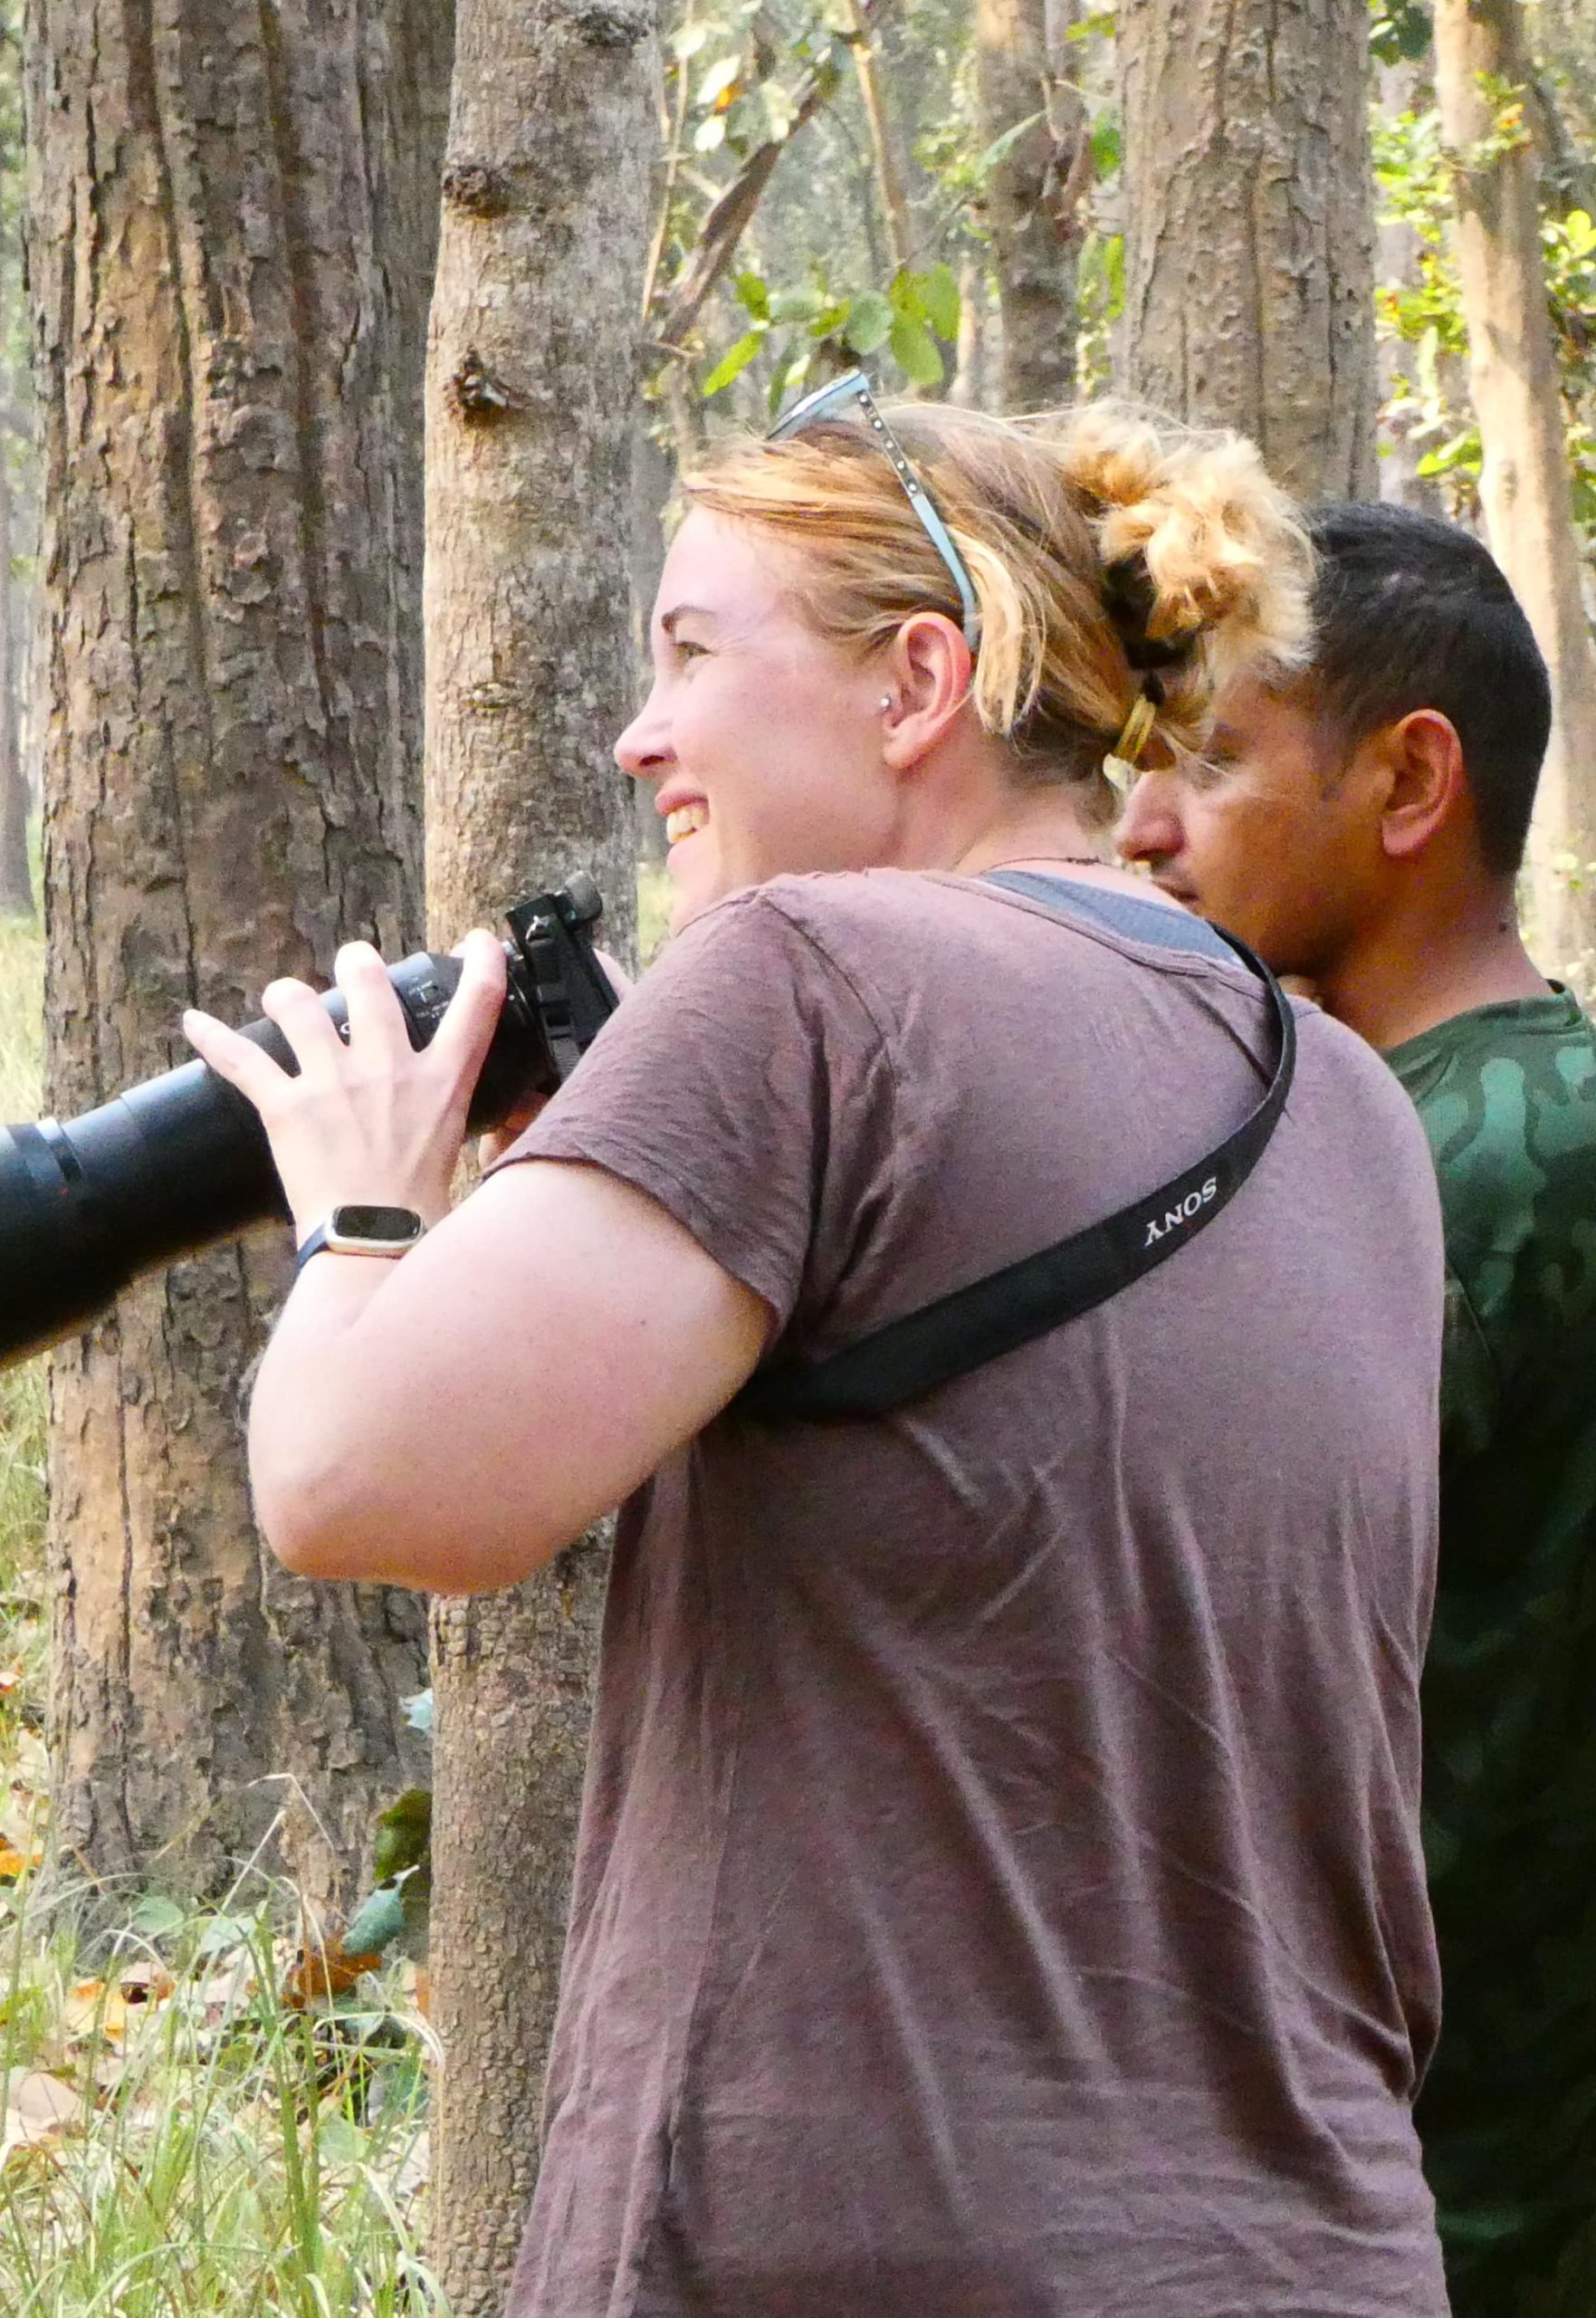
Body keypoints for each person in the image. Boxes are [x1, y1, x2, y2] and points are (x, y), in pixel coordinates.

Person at [183, 388, 1456, 2317]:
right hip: (1310, 2243)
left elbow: (357, 1480)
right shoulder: (1345, 1097)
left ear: (918, 680)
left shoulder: (807, 976)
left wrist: (364, 1200)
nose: (642, 730)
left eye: (694, 649)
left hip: (858, 2242)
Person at [1115, 501, 1596, 2318]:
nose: (1146, 824)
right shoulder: (1525, 1106)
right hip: (1492, 2120)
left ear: (1407, 784)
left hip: (1420, 2155)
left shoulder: (1461, 1156)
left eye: (1212, 760)